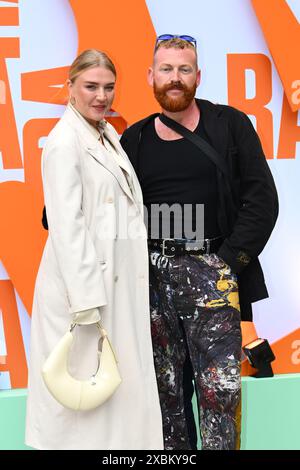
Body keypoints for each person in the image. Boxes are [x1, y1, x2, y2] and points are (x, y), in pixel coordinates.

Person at [119, 35, 279, 450]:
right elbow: (110, 205)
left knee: (220, 395)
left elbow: (262, 201)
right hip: (152, 284)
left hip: (213, 273)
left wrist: (225, 265)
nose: (175, 78)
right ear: (151, 76)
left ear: (198, 76)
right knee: (165, 399)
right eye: (167, 70)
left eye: (184, 69)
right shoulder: (133, 140)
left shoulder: (230, 125)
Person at [26, 49, 163, 450]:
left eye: (108, 87)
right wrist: (86, 303)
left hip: (113, 285)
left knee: (112, 396)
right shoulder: (63, 142)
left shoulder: (107, 135)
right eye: (91, 86)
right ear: (70, 88)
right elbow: (67, 227)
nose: (101, 96)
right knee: (82, 402)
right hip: (84, 293)